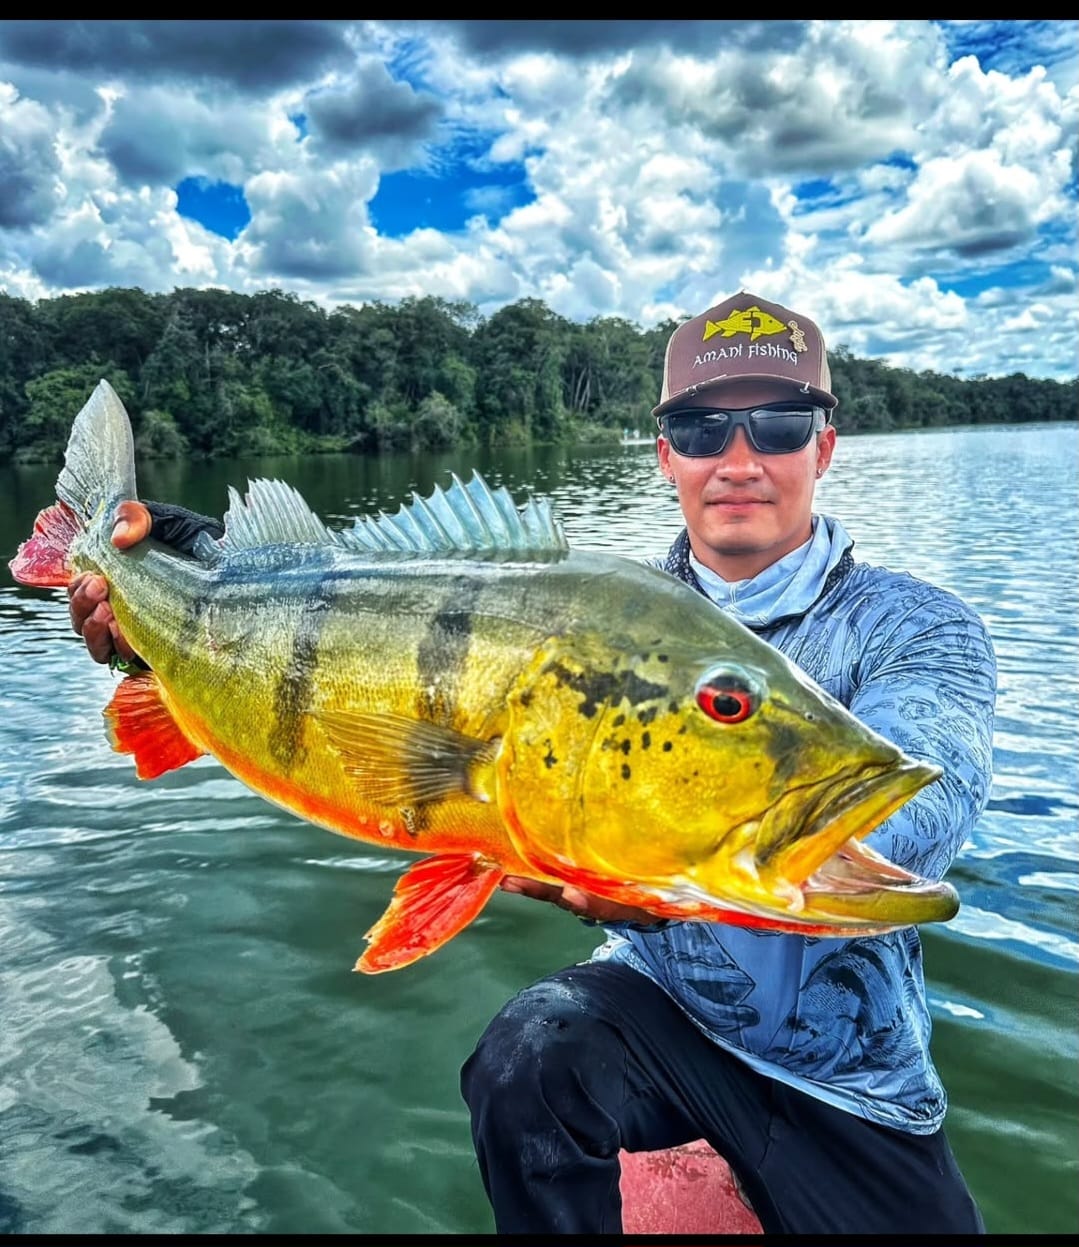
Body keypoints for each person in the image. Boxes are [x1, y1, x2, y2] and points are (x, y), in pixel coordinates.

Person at [68, 291, 997, 1236]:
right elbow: (350, 632)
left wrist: (674, 871)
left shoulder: (916, 627)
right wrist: (192, 588)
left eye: (780, 422)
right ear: (665, 451)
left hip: (851, 1082)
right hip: (659, 1016)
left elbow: (927, 805)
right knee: (526, 1061)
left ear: (825, 446)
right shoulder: (601, 610)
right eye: (701, 426)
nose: (740, 457)